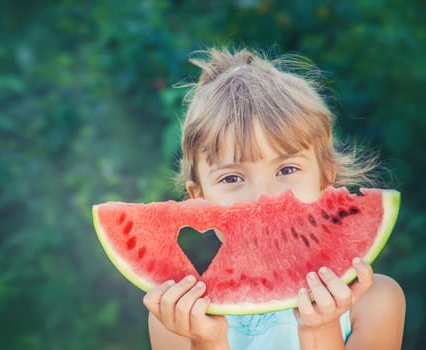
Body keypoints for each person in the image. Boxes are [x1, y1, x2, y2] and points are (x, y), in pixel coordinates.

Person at [142, 47, 405, 349]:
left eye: (287, 168)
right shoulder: (175, 318)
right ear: (198, 200)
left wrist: (319, 329)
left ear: (326, 178)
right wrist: (208, 341)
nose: (263, 196)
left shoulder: (375, 303)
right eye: (231, 178)